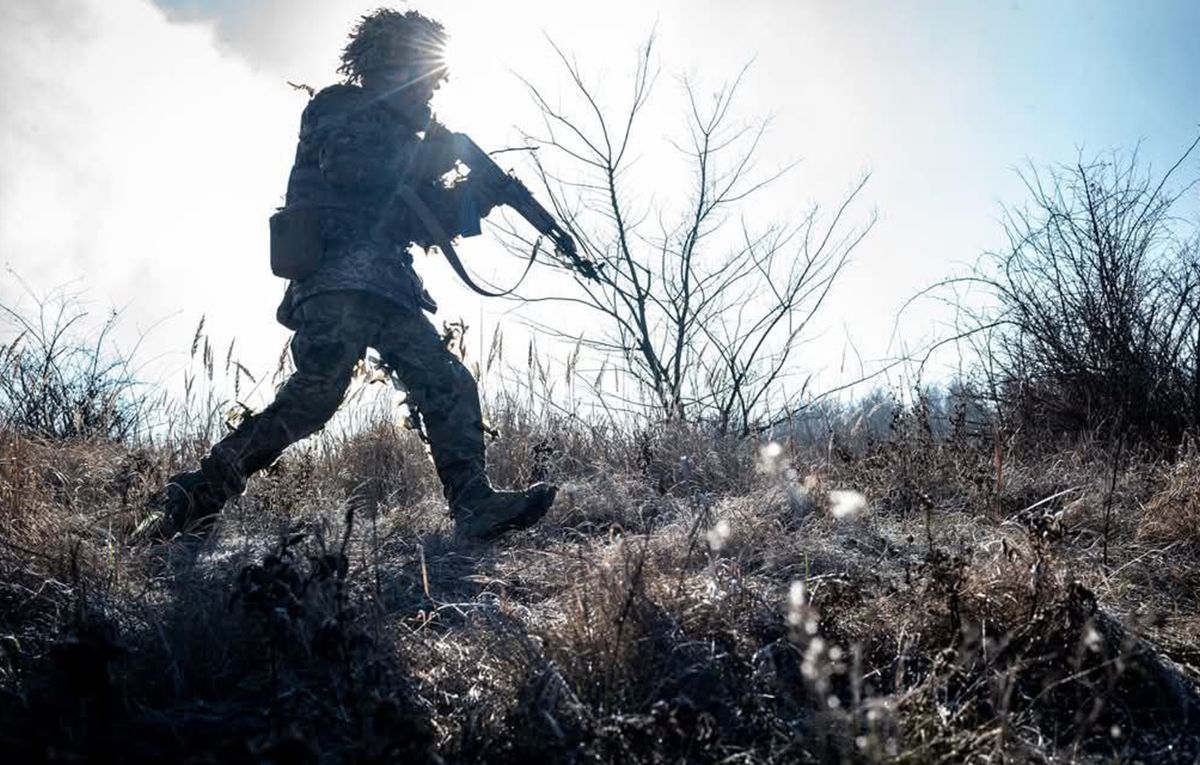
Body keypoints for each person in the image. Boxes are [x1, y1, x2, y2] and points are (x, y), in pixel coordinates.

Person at [152, 9, 557, 541]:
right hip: (336, 276)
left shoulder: (410, 136)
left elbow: (424, 219)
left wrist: (479, 198)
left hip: (388, 283)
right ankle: (199, 492)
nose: (430, 92)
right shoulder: (339, 106)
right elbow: (354, 168)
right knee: (315, 396)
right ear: (389, 65)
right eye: (424, 77)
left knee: (445, 380)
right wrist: (433, 154)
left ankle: (473, 504)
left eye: (436, 82)